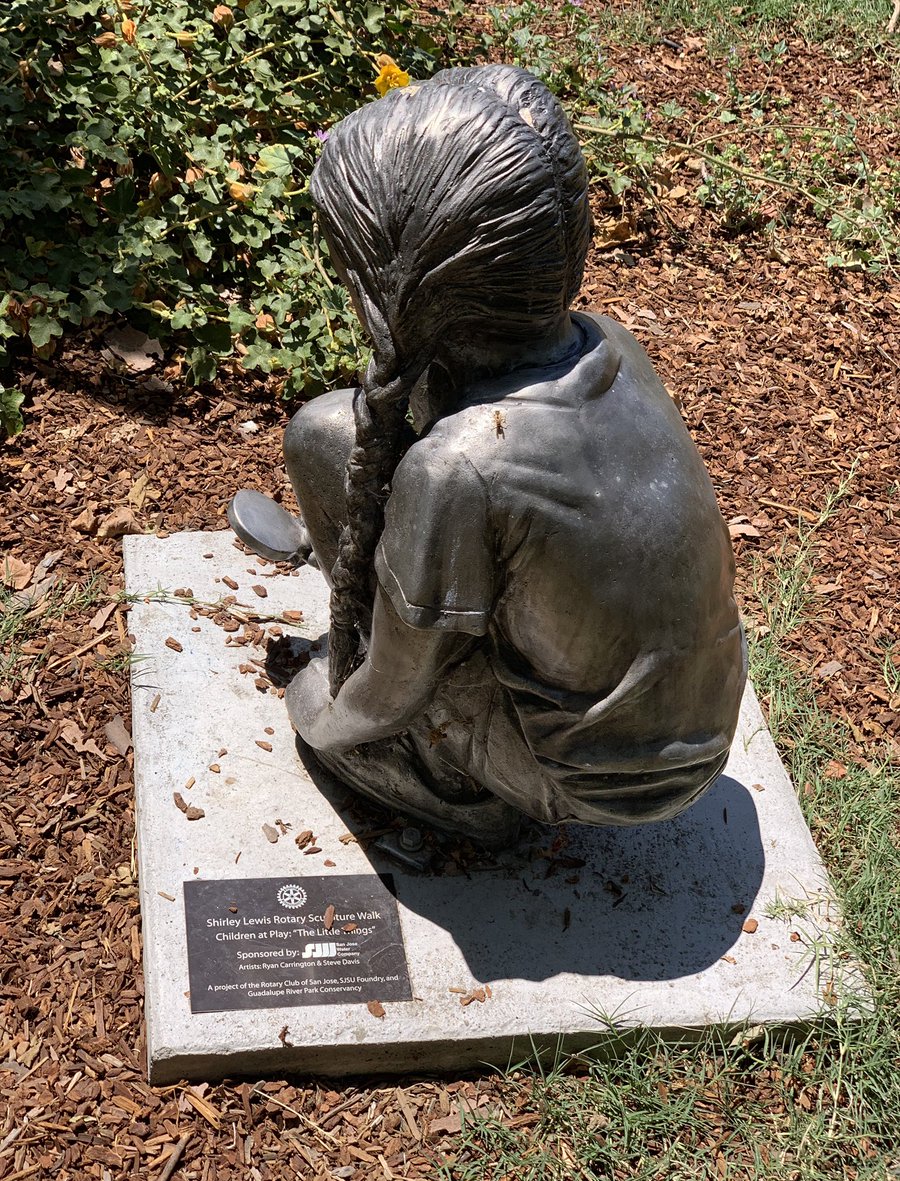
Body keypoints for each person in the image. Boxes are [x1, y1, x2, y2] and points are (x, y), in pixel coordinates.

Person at [229, 65, 747, 846]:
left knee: (353, 700)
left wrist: (317, 715)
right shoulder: (607, 343)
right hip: (696, 734)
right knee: (327, 431)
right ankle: (414, 611)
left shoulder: (460, 469)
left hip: (580, 782)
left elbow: (390, 695)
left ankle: (465, 794)